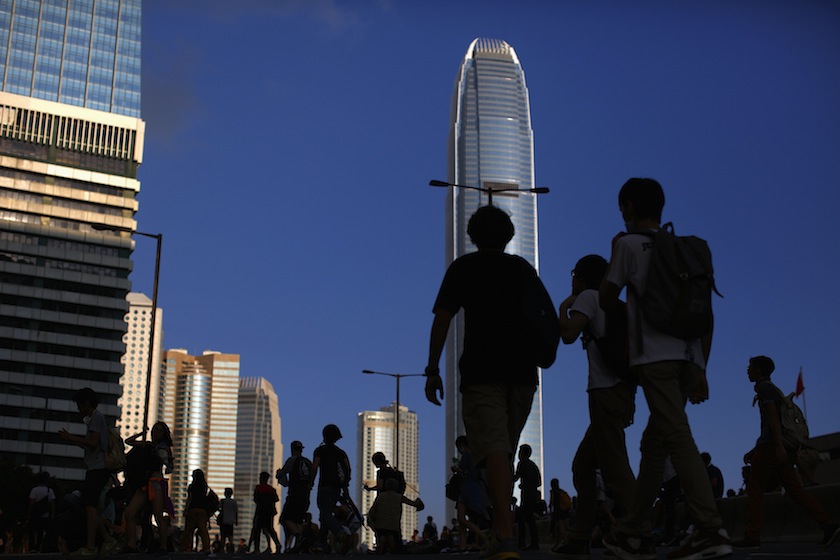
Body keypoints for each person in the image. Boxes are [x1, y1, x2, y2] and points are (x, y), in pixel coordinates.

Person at [599, 178, 731, 560]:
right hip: (689, 355)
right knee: (654, 444)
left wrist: (613, 256)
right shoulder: (685, 249)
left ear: (628, 207)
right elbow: (706, 313)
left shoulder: (628, 245)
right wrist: (701, 366)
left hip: (654, 360)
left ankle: (709, 528)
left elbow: (607, 300)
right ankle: (634, 531)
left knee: (675, 437)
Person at [425, 205, 546, 560]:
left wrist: (432, 368)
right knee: (503, 450)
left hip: (483, 371)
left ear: (472, 236)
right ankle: (500, 531)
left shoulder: (464, 268)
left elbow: (442, 319)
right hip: (524, 374)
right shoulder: (524, 269)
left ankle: (504, 538)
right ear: (508, 236)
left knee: (494, 449)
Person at [556, 254, 637, 558]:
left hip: (605, 393)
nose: (571, 279)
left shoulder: (589, 297)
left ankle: (639, 532)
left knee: (614, 467)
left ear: (583, 276)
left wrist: (565, 306)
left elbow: (567, 334)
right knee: (584, 465)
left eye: (573, 273)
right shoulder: (614, 303)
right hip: (622, 392)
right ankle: (580, 539)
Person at [733, 356, 839, 549]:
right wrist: (758, 448)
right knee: (796, 491)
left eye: (750, 367)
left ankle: (752, 535)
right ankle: (828, 523)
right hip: (777, 448)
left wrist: (777, 445)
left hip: (771, 448)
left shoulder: (765, 389)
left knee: (754, 489)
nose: (747, 370)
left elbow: (773, 418)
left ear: (758, 370)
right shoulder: (773, 389)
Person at [58, 387, 119, 557]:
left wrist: (70, 437)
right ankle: (107, 540)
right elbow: (93, 444)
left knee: (90, 506)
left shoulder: (95, 418)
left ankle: (91, 546)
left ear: (86, 403)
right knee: (90, 507)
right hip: (97, 468)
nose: (78, 408)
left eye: (79, 404)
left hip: (97, 469)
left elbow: (93, 442)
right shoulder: (96, 418)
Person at [122, 421, 174, 553]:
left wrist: (165, 459)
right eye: (154, 430)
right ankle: (132, 544)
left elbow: (169, 467)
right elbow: (129, 441)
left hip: (156, 482)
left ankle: (163, 546)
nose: (156, 432)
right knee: (130, 512)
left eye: (159, 430)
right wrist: (142, 433)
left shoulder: (164, 447)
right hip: (145, 483)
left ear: (164, 434)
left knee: (158, 515)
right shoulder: (148, 445)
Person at [310, 423, 352, 552]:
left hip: (325, 486)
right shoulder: (341, 453)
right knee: (325, 515)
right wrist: (345, 488)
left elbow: (315, 467)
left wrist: (310, 482)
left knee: (325, 513)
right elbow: (348, 469)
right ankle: (319, 544)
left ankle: (340, 534)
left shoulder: (320, 451)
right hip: (337, 488)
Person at [366, 477, 423, 554]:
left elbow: (371, 512)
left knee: (382, 538)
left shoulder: (380, 497)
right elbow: (413, 504)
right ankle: (389, 540)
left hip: (380, 526)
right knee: (396, 548)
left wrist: (373, 522)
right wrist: (418, 501)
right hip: (394, 527)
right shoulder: (399, 497)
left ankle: (383, 541)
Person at [276, 440, 312, 551]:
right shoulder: (308, 462)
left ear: (292, 449)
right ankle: (297, 545)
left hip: (294, 494)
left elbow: (283, 478)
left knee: (285, 518)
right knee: (298, 520)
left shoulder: (292, 460)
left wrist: (279, 474)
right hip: (306, 496)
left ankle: (298, 536)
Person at [513, 444, 541, 551]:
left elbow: (516, 477)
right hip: (533, 495)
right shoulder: (533, 465)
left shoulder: (522, 463)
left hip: (527, 495)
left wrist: (523, 485)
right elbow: (539, 483)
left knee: (525, 518)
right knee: (527, 518)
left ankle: (525, 542)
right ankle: (529, 542)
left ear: (522, 453)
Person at [181, 469, 212, 552]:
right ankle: (206, 547)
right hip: (202, 511)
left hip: (192, 509)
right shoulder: (205, 487)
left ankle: (184, 547)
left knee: (188, 530)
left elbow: (190, 498)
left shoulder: (192, 486)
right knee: (203, 530)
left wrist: (186, 509)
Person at [252, 471, 282, 553]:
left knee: (257, 530)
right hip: (269, 512)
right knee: (270, 529)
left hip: (260, 511)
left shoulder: (258, 488)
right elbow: (276, 499)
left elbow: (255, 500)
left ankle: (256, 548)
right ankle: (277, 544)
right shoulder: (272, 489)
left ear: (261, 478)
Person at [27, 471, 55, 552]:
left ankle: (32, 547)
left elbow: (32, 502)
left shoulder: (34, 490)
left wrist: (29, 513)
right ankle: (38, 547)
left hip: (34, 514)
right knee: (40, 531)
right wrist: (52, 514)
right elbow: (52, 503)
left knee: (32, 531)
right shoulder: (50, 491)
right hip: (44, 515)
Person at [547, 479, 570, 549]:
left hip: (558, 512)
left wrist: (550, 512)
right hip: (563, 511)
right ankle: (557, 544)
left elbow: (551, 503)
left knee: (560, 528)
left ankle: (567, 542)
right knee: (558, 528)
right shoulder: (561, 491)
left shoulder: (553, 492)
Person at [218, 488, 238, 553]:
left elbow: (219, 508)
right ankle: (231, 549)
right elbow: (236, 512)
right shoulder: (234, 502)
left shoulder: (223, 501)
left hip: (224, 521)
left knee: (223, 536)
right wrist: (236, 521)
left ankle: (222, 549)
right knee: (230, 536)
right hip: (231, 521)